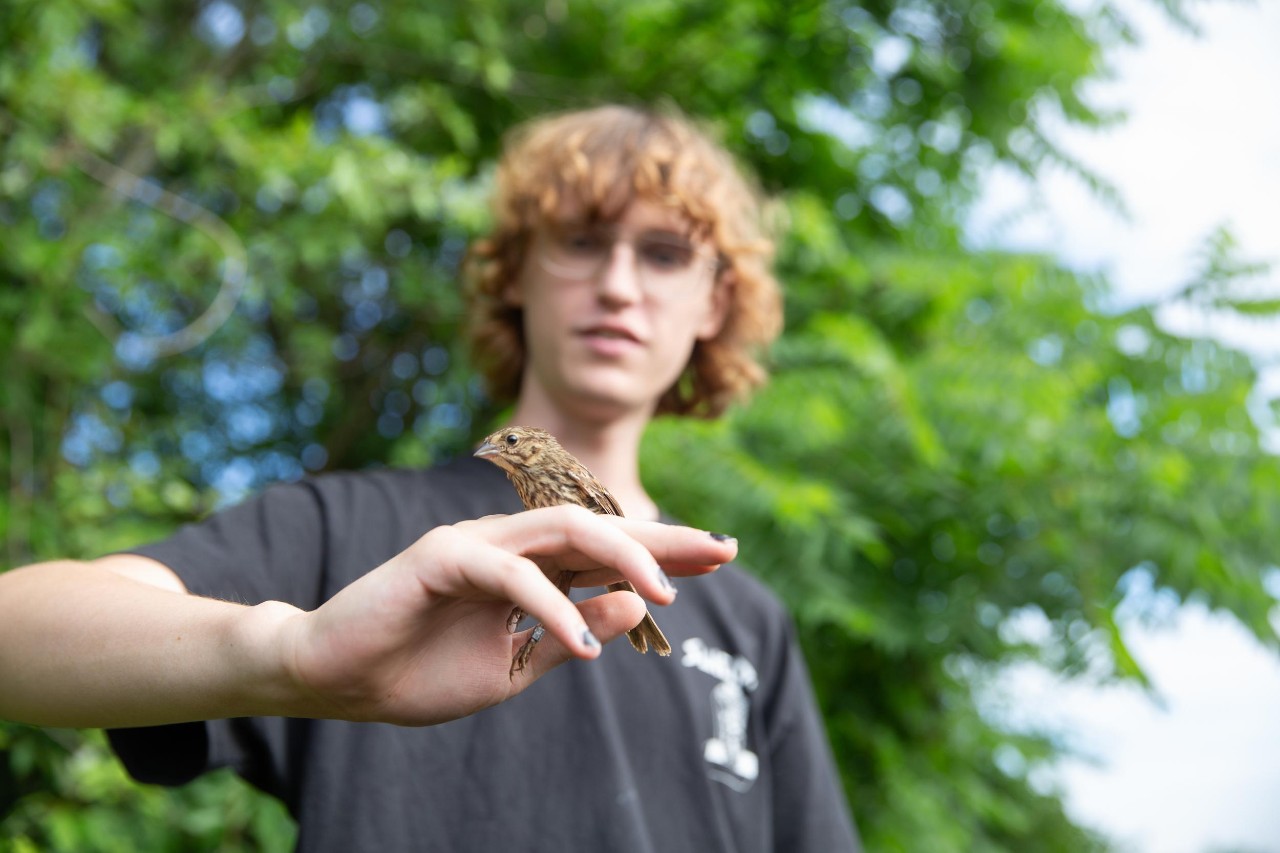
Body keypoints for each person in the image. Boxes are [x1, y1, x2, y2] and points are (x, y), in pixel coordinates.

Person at [0, 104, 859, 851]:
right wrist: (292, 653)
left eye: (666, 253)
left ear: (715, 302)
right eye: (582, 241)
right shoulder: (358, 531)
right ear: (516, 271)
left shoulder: (749, 622)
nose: (618, 285)